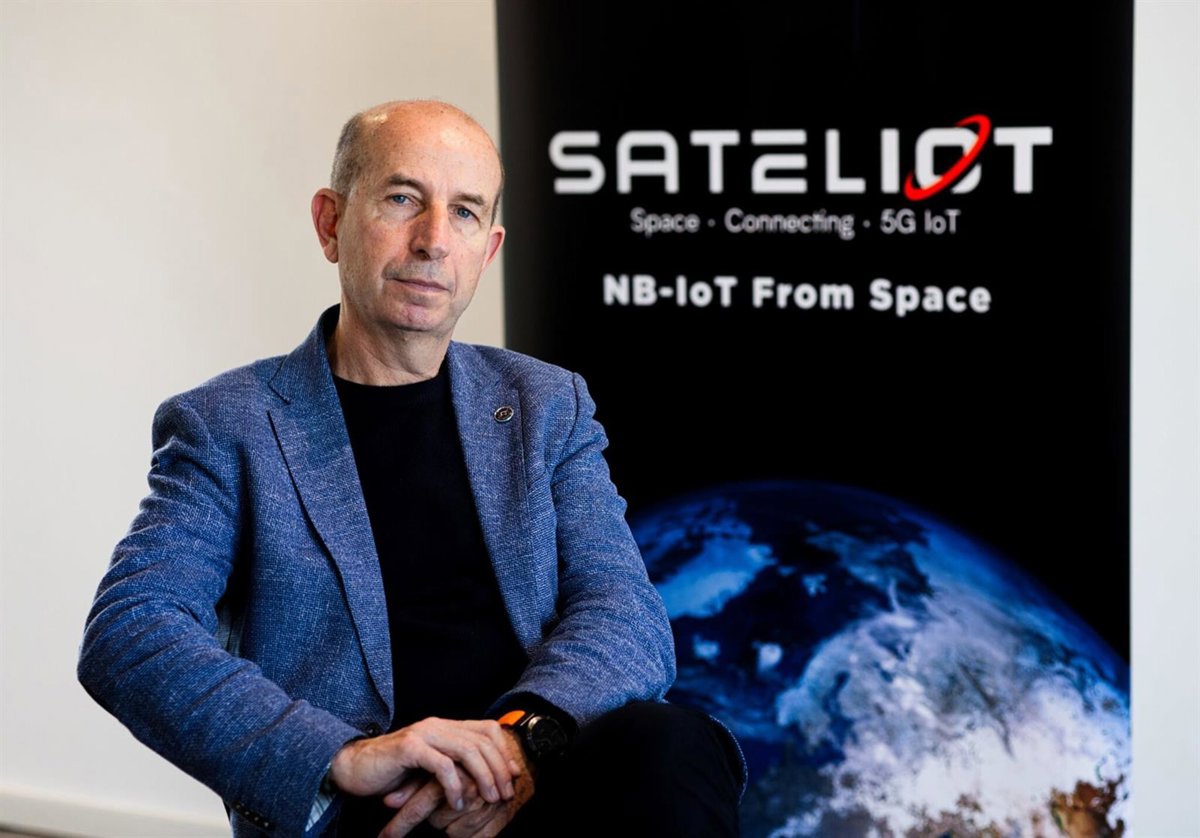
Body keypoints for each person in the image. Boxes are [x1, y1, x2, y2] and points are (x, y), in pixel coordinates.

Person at [78, 100, 743, 837]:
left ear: (488, 250)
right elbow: (131, 630)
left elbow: (625, 611)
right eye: (402, 199)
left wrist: (521, 740)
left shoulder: (547, 403)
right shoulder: (228, 424)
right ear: (331, 223)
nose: (433, 240)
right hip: (369, 813)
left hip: (534, 785)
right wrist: (341, 755)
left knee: (675, 743)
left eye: (465, 212)